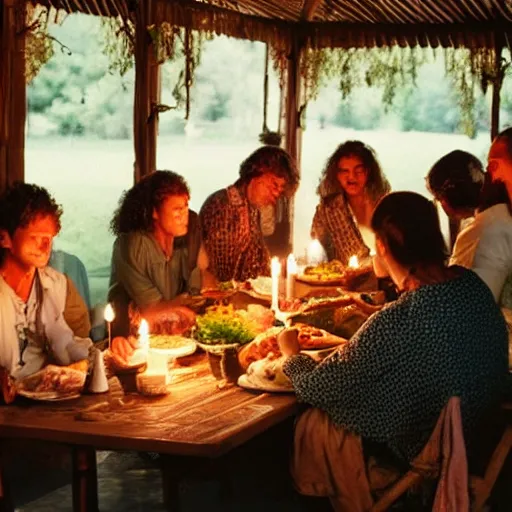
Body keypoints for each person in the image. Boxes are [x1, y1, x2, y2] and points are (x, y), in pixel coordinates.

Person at [280, 192, 508, 511]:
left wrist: (292, 354)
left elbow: (319, 387)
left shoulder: (401, 319)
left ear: (383, 247)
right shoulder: (470, 286)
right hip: (482, 436)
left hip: (426, 457)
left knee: (317, 424)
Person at [0, 183, 92, 379]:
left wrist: (100, 356)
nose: (45, 246)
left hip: (47, 397)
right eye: (35, 237)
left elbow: (75, 342)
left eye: (49, 238)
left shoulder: (58, 286)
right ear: (5, 238)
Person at [108, 171, 204, 336]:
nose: (185, 216)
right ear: (154, 212)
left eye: (186, 206)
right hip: (132, 335)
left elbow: (199, 281)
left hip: (177, 329)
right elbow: (150, 309)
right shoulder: (132, 246)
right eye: (177, 209)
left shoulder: (190, 232)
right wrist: (182, 302)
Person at [199, 146, 299, 282]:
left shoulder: (251, 206)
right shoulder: (225, 207)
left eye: (280, 191)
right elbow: (224, 278)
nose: (276, 195)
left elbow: (259, 260)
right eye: (274, 185)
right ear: (258, 171)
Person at [427, 150, 512, 305]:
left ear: (446, 198)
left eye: (438, 199)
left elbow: (465, 302)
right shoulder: (502, 214)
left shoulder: (481, 232)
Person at [311, 140, 390, 264]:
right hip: (347, 280)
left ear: (368, 172)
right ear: (336, 174)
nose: (352, 177)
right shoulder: (327, 210)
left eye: (358, 171)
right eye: (345, 171)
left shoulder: (387, 204)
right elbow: (317, 255)